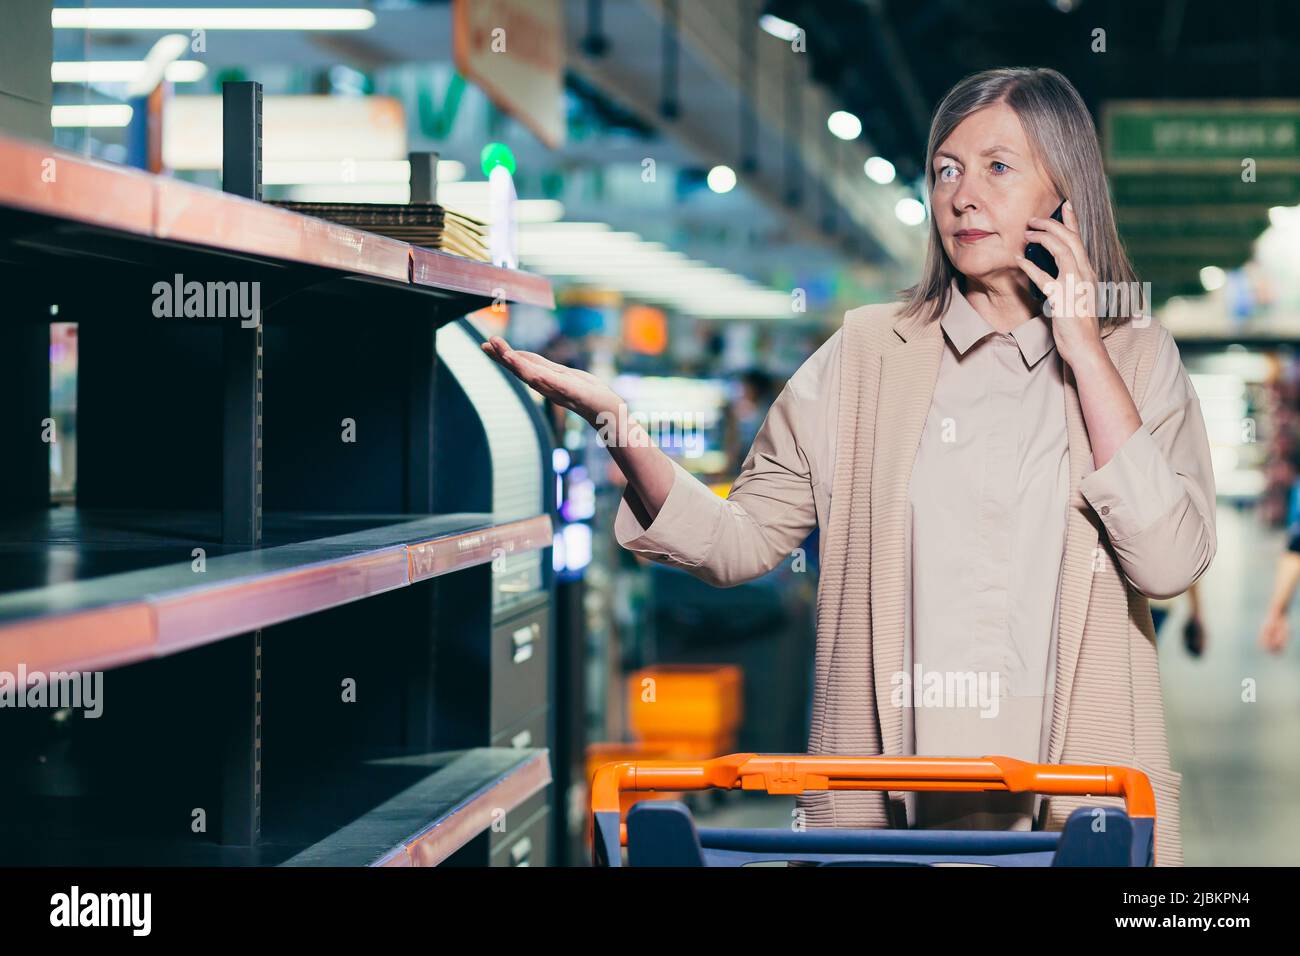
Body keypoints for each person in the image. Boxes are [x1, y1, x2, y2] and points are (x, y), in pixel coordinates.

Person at [482, 67, 1217, 866]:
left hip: (1077, 800)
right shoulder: (868, 354)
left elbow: (1169, 561)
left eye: (998, 167)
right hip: (883, 798)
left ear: (1065, 191)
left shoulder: (1135, 357)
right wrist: (617, 421)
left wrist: (1083, 343)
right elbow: (740, 542)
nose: (962, 195)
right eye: (945, 170)